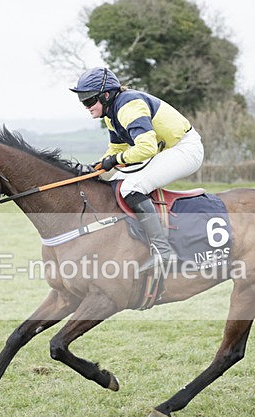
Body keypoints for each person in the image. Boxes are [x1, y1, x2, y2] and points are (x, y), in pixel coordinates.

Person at [70, 67, 204, 269]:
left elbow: (146, 147)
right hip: (166, 150)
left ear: (106, 95)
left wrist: (115, 160)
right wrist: (96, 167)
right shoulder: (111, 113)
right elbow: (117, 148)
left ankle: (163, 251)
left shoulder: (129, 106)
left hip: (185, 149)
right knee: (114, 181)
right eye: (83, 102)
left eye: (89, 101)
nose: (86, 107)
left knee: (131, 187)